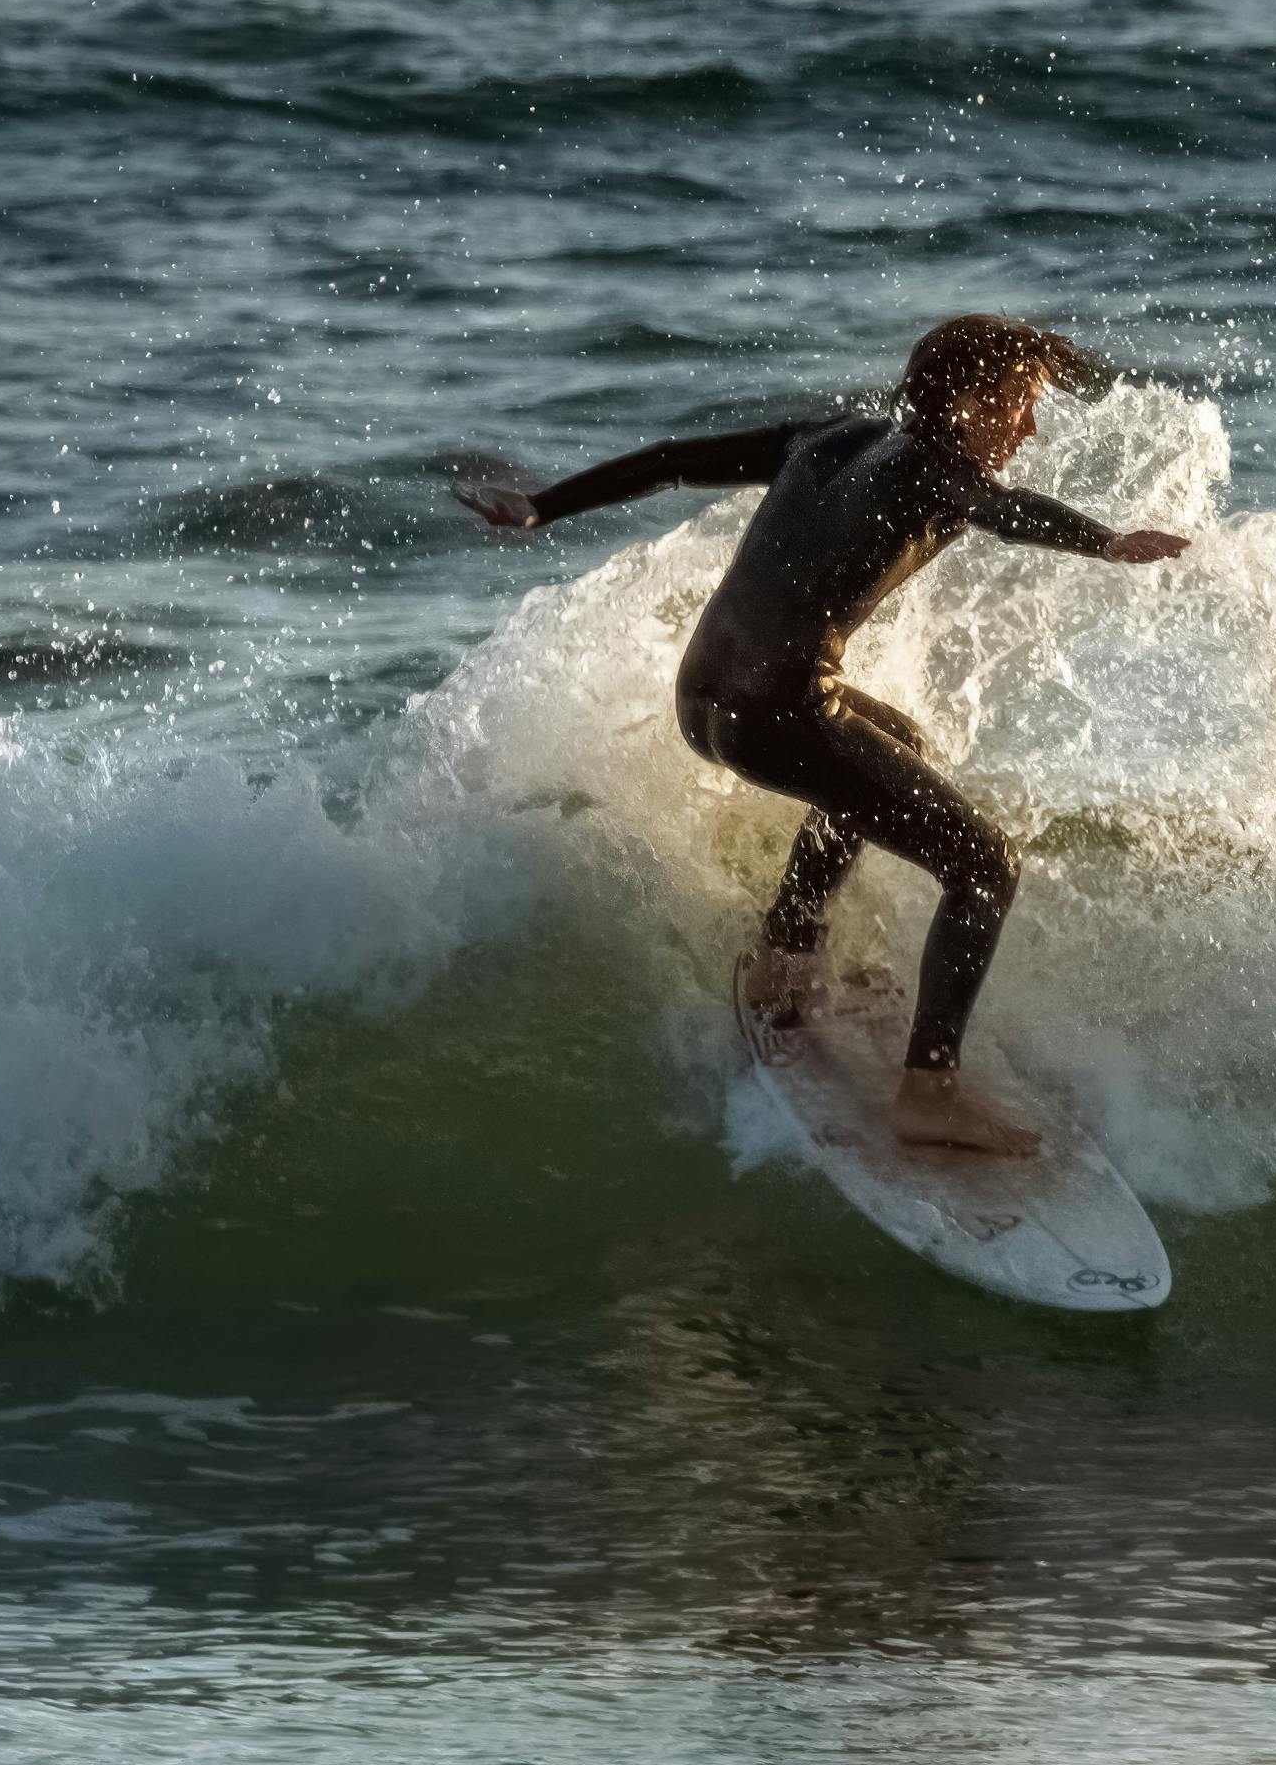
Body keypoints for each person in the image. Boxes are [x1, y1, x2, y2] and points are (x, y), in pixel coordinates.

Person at [463, 317, 1188, 1155]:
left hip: (706, 699)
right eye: (1017, 406)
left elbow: (670, 461)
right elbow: (1006, 509)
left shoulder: (832, 435)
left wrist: (541, 507)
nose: (1028, 429)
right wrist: (1104, 541)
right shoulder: (939, 474)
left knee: (895, 745)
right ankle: (929, 1091)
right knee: (986, 865)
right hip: (779, 718)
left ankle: (787, 953)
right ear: (959, 404)